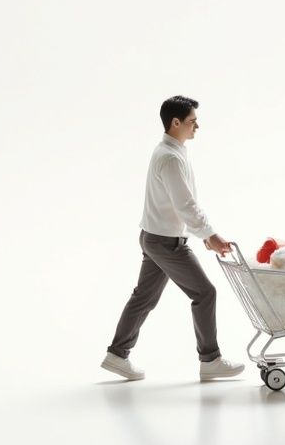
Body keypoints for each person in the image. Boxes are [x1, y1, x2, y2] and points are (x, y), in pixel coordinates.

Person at [101, 95, 244, 381]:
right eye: (192, 121)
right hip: (165, 243)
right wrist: (211, 235)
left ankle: (116, 355)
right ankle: (210, 359)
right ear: (175, 122)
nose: (197, 127)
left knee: (143, 299)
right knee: (205, 293)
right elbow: (185, 205)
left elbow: (177, 205)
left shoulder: (172, 151)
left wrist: (198, 234)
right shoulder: (170, 157)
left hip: (155, 237)